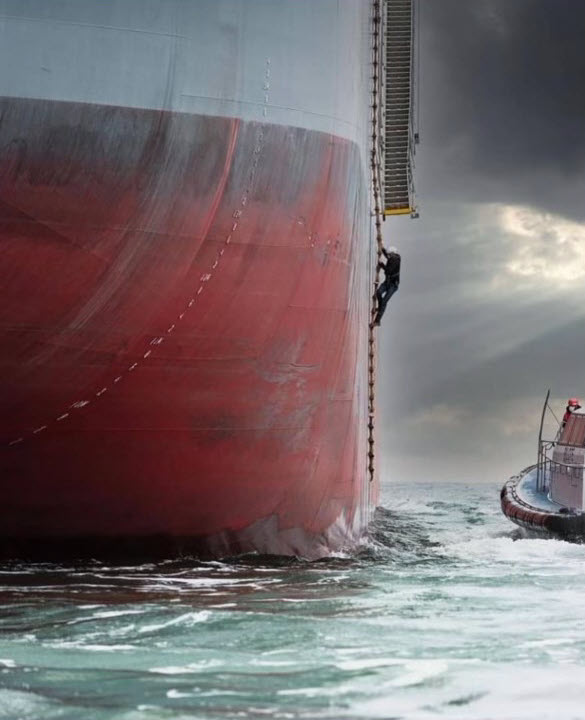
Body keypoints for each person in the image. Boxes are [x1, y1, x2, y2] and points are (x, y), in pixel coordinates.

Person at [372, 246, 401, 326]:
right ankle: (380, 307)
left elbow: (388, 271)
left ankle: (377, 321)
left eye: (389, 254)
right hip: (387, 282)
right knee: (378, 293)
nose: (389, 256)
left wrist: (382, 265)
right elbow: (387, 256)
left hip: (393, 285)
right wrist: (383, 249)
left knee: (384, 301)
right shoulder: (392, 257)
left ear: (392, 254)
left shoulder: (395, 260)